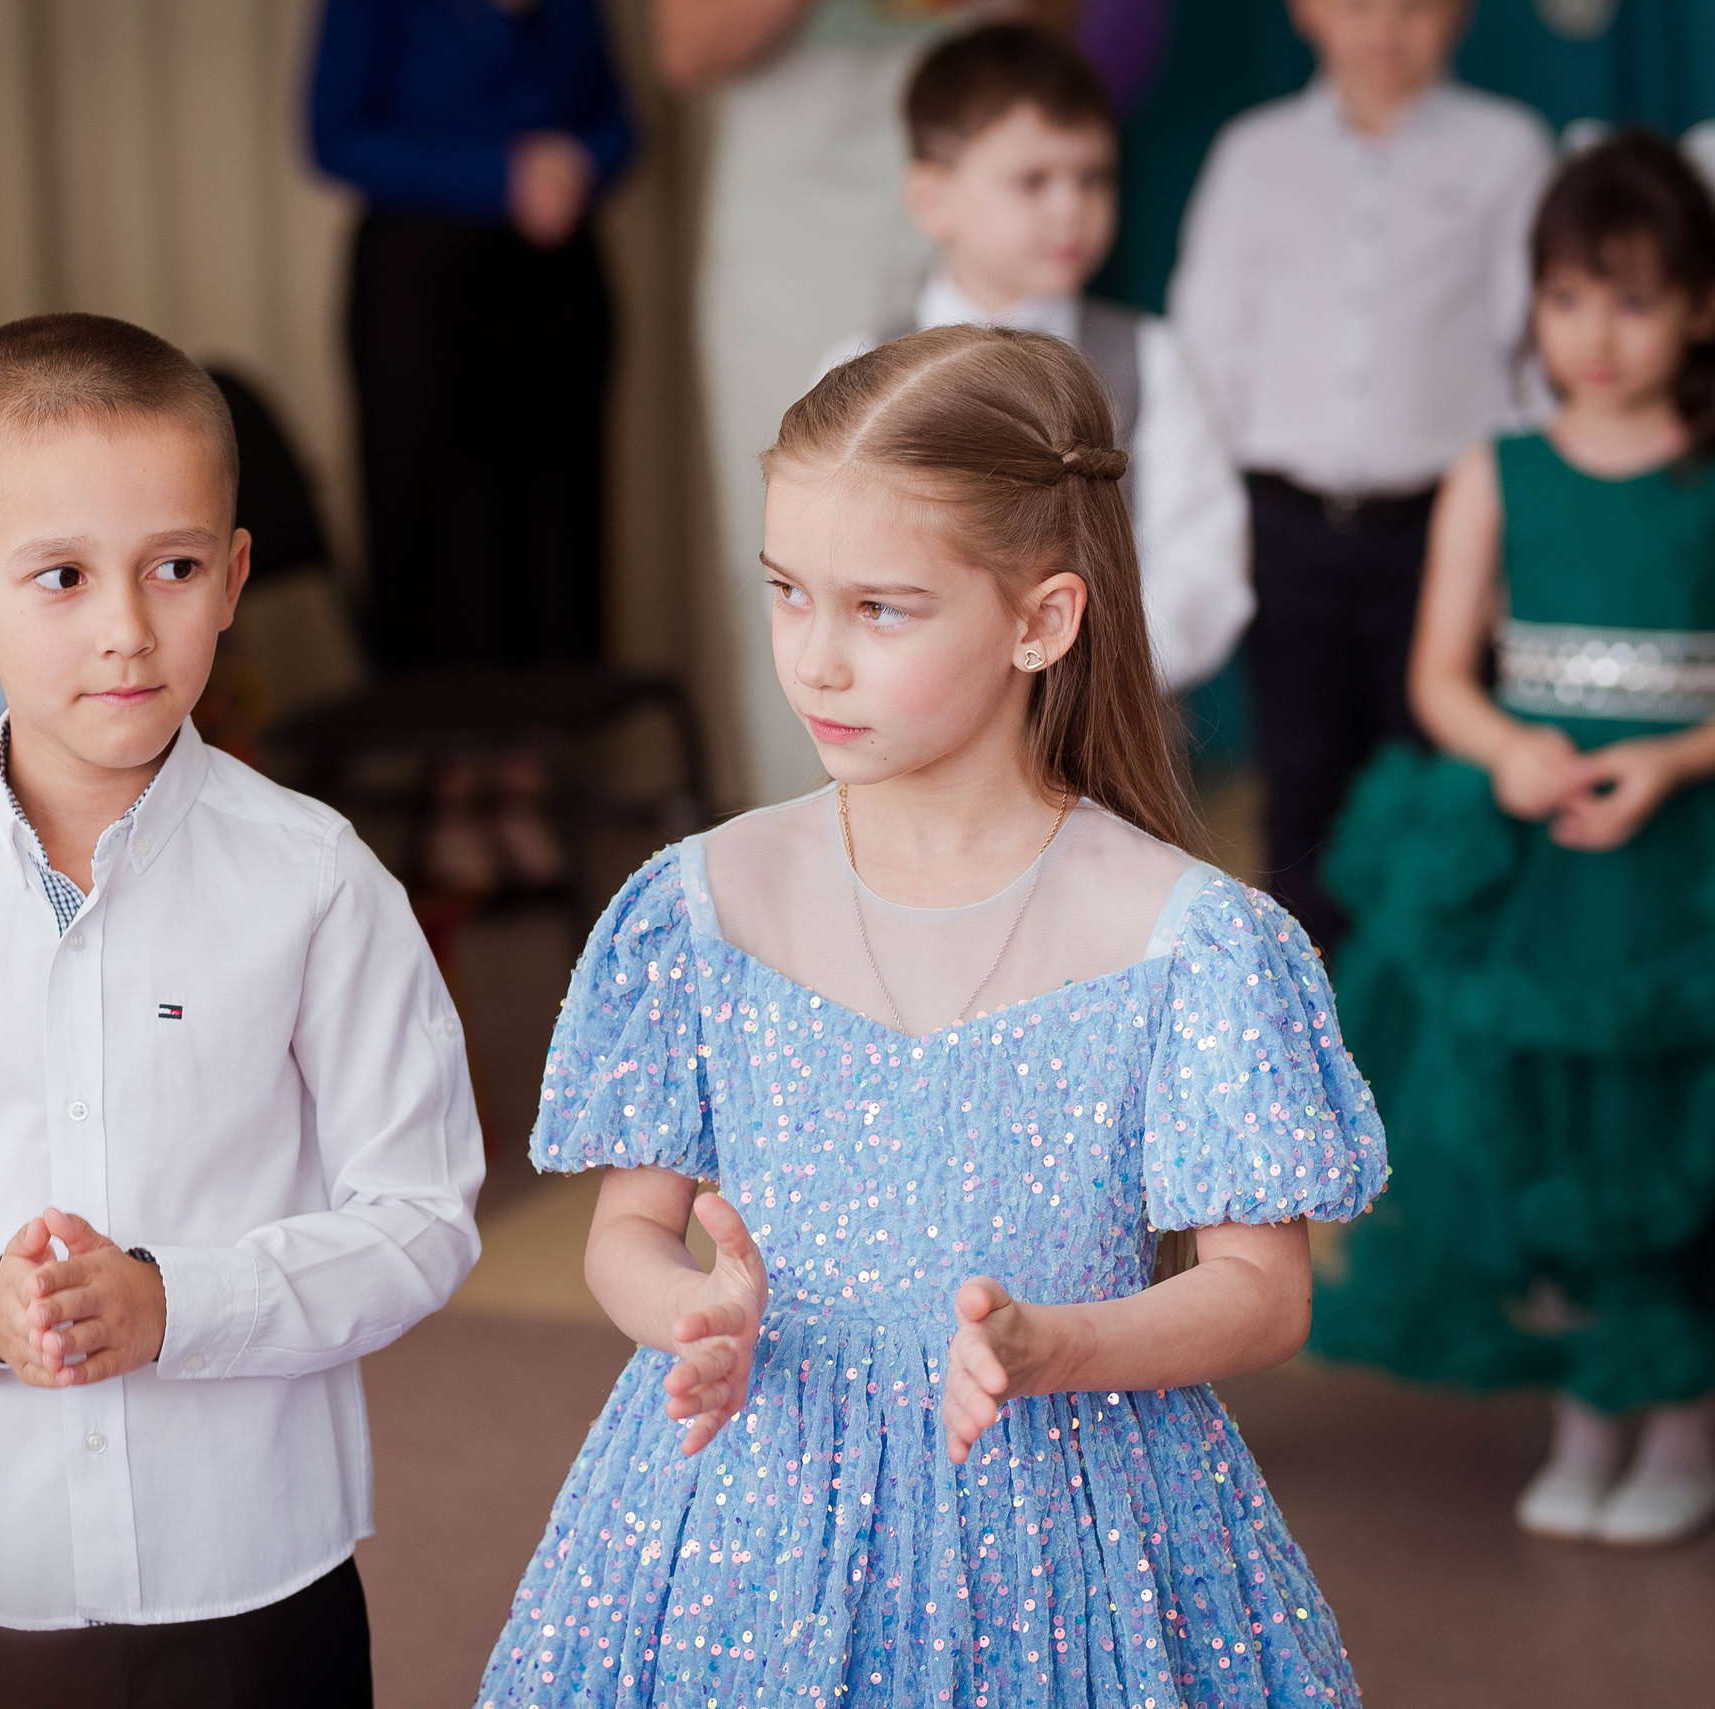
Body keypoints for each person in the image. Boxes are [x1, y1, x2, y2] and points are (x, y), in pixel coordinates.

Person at [477, 326, 1386, 1706]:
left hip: (1075, 1520)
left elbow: (1263, 1294)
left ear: (1044, 620)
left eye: (880, 609)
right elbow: (627, 1232)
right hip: (754, 1511)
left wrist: (1059, 1343)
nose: (816, 661)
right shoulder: (702, 905)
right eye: (787, 592)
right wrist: (690, 1315)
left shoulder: (1190, 940)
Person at [0, 313, 484, 1705]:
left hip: (258, 1569)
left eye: (174, 568)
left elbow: (423, 1217)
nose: (128, 628)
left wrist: (172, 1304)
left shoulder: (317, 880)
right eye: (61, 576)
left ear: (236, 575)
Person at [1312, 133, 1715, 1549]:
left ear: (1701, 308)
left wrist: (1668, 757)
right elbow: (1438, 676)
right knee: (1554, 1124)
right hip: (1538, 848)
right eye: (1567, 299)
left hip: (1681, 856)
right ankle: (1592, 1405)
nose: (1596, 336)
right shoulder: (1499, 470)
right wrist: (1512, 750)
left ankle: (1680, 1417)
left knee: (1676, 1125)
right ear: (1532, 306)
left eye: (1637, 300)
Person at [1167, 0, 1554, 949]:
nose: (1386, 27)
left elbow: (1533, 364)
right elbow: (1205, 354)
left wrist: (1513, 537)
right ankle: (1312, 1045)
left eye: (1416, 5)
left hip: (1443, 537)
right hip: (1288, 532)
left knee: (1434, 790)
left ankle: (1421, 1040)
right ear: (1305, 11)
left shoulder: (1507, 151)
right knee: (1300, 791)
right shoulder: (1253, 156)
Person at [653, 1, 1073, 808]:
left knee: (999, 531)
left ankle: (1003, 856)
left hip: (980, 149)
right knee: (805, 545)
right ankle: (813, 866)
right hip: (805, 201)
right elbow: (685, 48)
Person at [814, 22, 1249, 696]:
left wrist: (1069, 670)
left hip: (1106, 734)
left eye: (1092, 177)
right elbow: (824, 566)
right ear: (933, 198)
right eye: (1032, 180)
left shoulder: (1152, 360)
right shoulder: (858, 371)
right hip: (913, 725)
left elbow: (1203, 570)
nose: (1071, 207)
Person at [309, 0, 632, 676]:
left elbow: (622, 124)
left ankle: (539, 748)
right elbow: (332, 137)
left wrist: (578, 164)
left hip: (555, 281)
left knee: (555, 519)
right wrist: (498, 179)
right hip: (422, 284)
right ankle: (449, 753)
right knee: (433, 519)